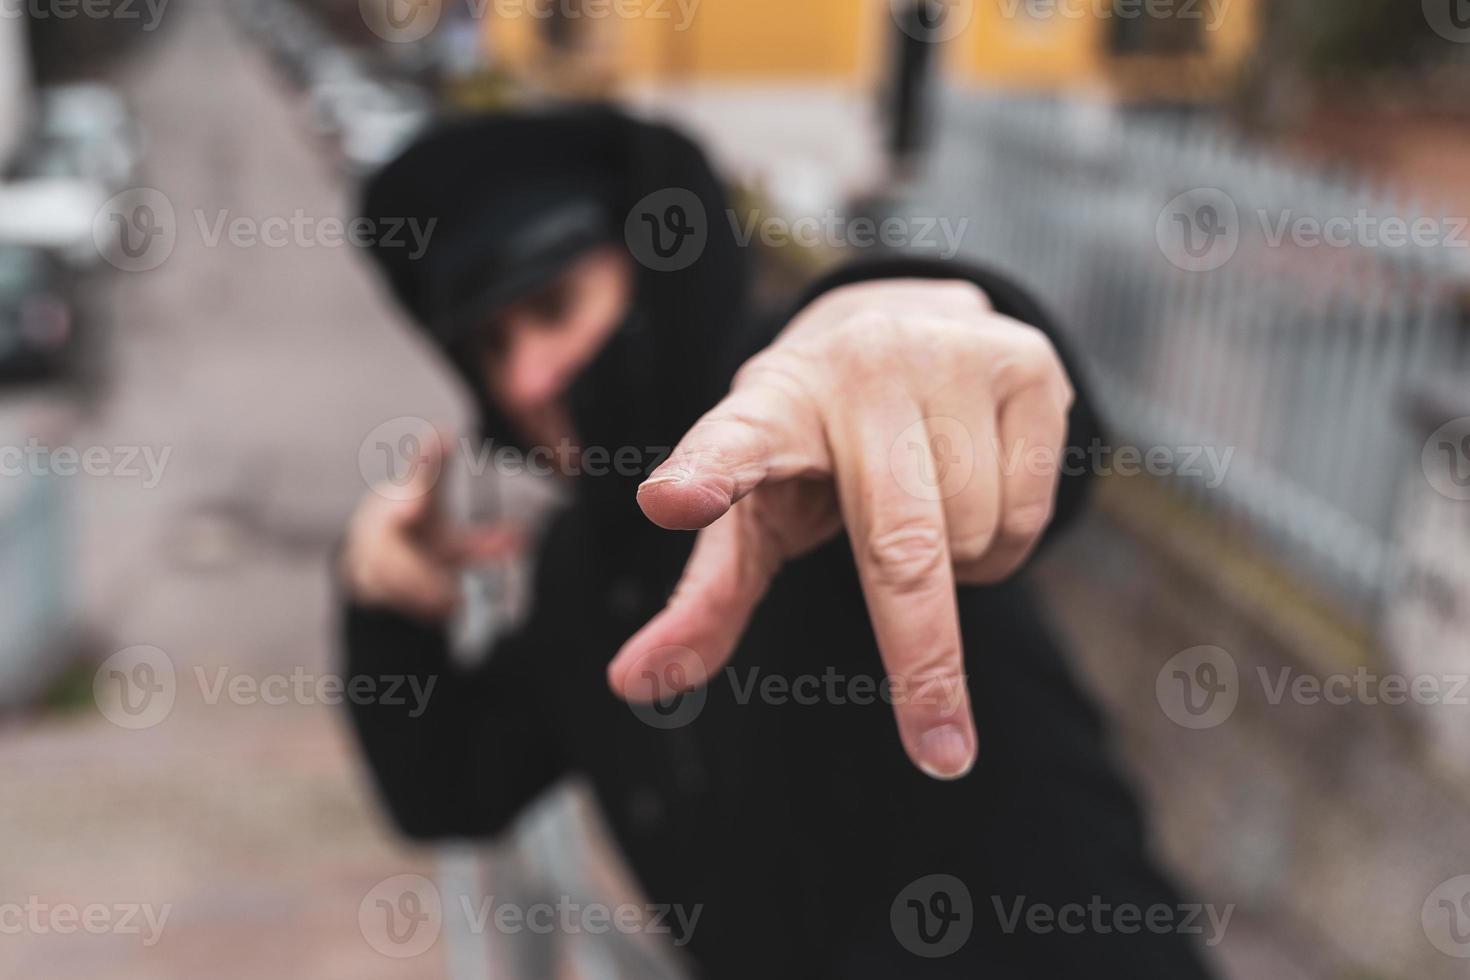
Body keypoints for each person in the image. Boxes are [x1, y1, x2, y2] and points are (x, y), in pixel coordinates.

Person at [340, 104, 1216, 977]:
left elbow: (964, 412)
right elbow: (452, 782)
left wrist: (926, 344)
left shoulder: (802, 441)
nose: (530, 375)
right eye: (493, 347)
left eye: (555, 305)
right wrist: (383, 605)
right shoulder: (578, 571)